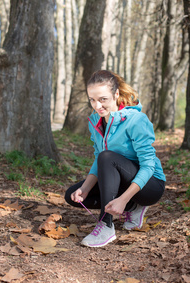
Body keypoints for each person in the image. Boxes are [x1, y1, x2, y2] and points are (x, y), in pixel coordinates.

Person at [65, 70, 166, 248]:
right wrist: (85, 188)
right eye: (92, 100)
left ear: (116, 94)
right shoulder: (95, 121)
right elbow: (99, 159)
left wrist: (123, 198)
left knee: (108, 157)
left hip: (150, 184)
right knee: (73, 195)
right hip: (120, 178)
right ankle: (134, 207)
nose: (97, 106)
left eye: (103, 99)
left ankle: (106, 226)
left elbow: (148, 165)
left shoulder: (136, 120)